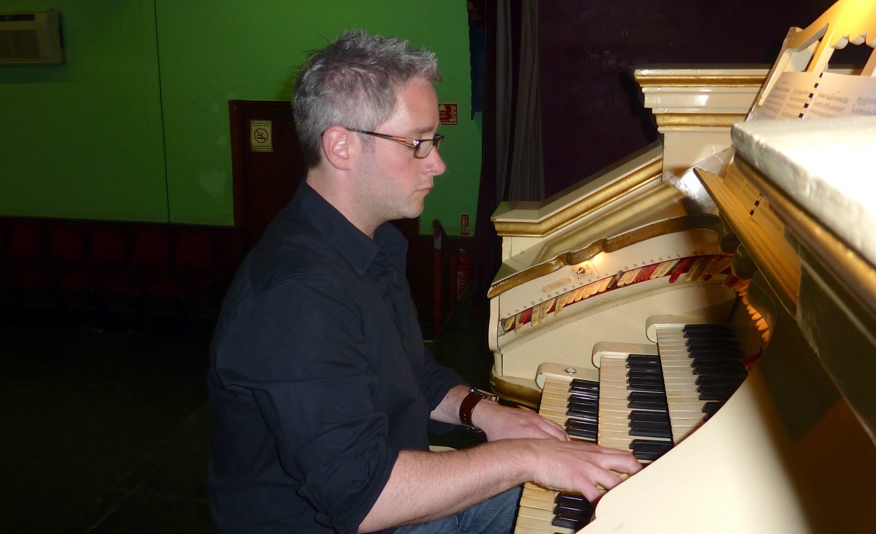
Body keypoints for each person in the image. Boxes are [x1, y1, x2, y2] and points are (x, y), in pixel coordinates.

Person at [207, 29, 640, 534]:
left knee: (614, 504)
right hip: (351, 517)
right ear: (341, 146)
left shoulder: (370, 246)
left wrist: (485, 413)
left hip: (391, 490)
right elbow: (361, 499)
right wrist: (526, 458)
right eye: (417, 143)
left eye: (434, 141)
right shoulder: (297, 294)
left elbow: (413, 376)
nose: (437, 162)